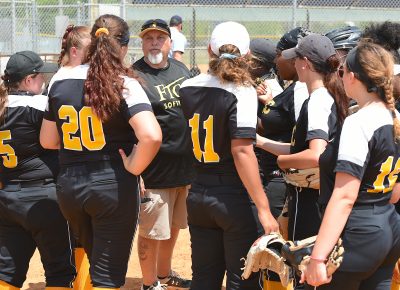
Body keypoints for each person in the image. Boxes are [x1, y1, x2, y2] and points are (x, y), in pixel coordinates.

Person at [40, 14, 162, 290]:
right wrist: (134, 167)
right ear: (123, 47)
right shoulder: (123, 82)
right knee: (107, 278)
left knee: (94, 265)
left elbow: (48, 140)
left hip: (70, 184)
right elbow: (152, 136)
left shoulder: (60, 80)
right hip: (111, 184)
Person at [179, 21, 279, 290]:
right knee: (243, 279)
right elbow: (242, 150)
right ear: (247, 56)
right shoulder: (242, 91)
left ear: (210, 50)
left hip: (198, 190)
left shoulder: (188, 86)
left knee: (204, 277)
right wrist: (264, 208)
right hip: (232, 195)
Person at [302, 42, 400, 290]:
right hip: (389, 227)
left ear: (353, 77)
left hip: (358, 232)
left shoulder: (359, 122)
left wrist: (318, 257)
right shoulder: (395, 117)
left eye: (343, 71)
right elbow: (395, 191)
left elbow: (345, 196)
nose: (340, 76)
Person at [256, 34, 346, 289]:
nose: (292, 64)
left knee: (305, 273)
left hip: (308, 199)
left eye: (295, 60)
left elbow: (316, 154)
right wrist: (262, 142)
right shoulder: (326, 94)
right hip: (318, 197)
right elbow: (303, 148)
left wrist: (283, 162)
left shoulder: (317, 99)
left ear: (305, 63)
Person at [0, 51, 75, 290]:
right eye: (40, 77)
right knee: (60, 271)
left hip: (7, 198)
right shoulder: (40, 104)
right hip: (44, 198)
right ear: (28, 80)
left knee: (6, 273)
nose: (44, 82)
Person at [133, 19, 193, 290]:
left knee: (173, 228)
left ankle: (164, 274)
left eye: (160, 38)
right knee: (151, 232)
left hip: (184, 168)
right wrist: (138, 171)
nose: (155, 42)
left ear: (170, 43)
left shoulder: (181, 69)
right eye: (149, 38)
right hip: (154, 171)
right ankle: (148, 283)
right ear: (142, 43)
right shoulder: (134, 75)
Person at [252, 28, 310, 290]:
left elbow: (303, 144)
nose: (275, 62)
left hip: (281, 177)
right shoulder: (294, 88)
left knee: (273, 247)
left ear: (297, 59)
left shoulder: (303, 92)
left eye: (279, 56)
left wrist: (259, 139)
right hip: (273, 174)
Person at [51, 24, 92, 290]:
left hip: (66, 170)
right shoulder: (94, 77)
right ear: (75, 51)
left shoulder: (56, 79)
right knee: (93, 238)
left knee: (75, 236)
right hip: (98, 169)